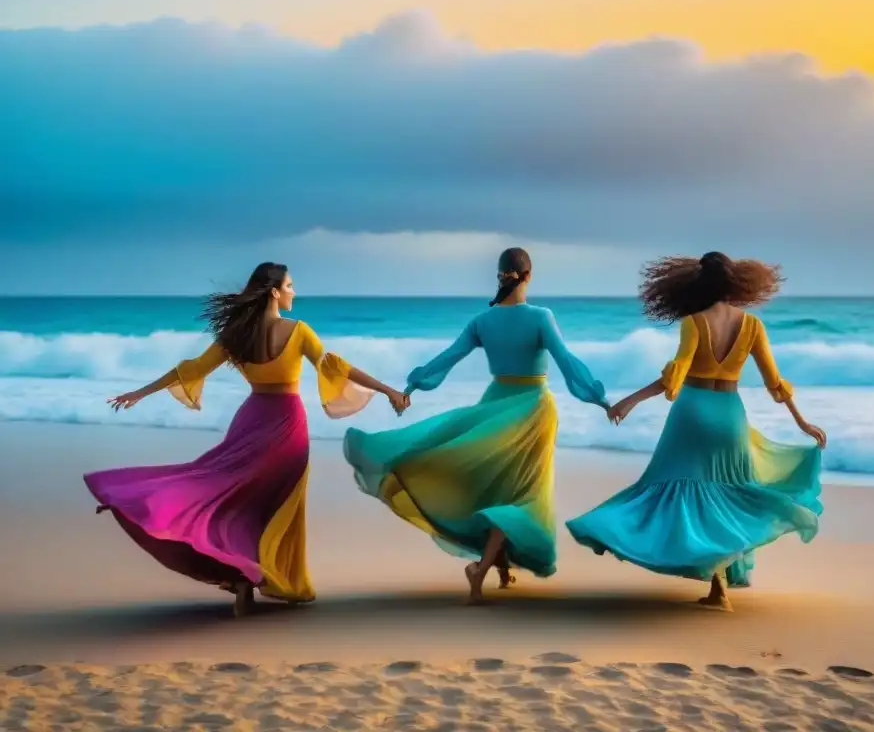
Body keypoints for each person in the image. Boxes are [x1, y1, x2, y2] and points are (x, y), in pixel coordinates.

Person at [86, 262, 409, 617]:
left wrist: (139, 392)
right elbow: (336, 367)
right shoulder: (298, 331)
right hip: (287, 425)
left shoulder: (236, 335)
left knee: (228, 492)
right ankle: (266, 578)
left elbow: (191, 369)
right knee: (273, 504)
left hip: (252, 418)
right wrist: (388, 390)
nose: (293, 291)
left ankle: (241, 578)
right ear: (274, 291)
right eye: (289, 285)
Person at [343, 247, 610, 604]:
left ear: (500, 276)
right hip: (532, 410)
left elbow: (446, 359)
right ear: (528, 276)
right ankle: (480, 569)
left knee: (494, 486)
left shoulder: (482, 321)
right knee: (521, 493)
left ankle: (501, 568)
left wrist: (411, 388)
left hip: (494, 403)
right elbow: (568, 364)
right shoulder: (541, 317)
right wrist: (601, 399)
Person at [566, 252, 826, 611]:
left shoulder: (694, 322)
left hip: (692, 413)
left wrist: (629, 401)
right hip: (729, 416)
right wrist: (802, 422)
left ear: (699, 282)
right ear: (735, 282)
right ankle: (719, 580)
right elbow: (774, 382)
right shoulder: (752, 325)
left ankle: (715, 583)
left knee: (680, 493)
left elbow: (675, 374)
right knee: (728, 494)